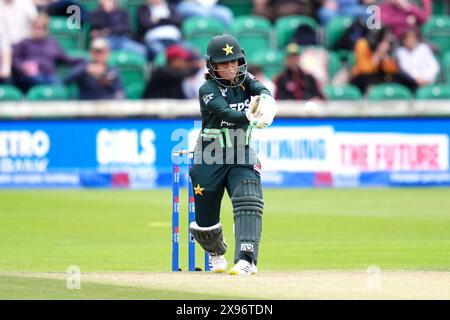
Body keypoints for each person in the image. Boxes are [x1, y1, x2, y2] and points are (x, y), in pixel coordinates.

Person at [186, 34, 277, 276]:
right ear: (212, 66)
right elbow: (225, 112)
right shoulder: (207, 88)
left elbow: (262, 89)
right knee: (205, 224)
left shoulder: (246, 80)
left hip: (241, 150)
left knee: (249, 196)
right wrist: (250, 116)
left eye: (234, 62)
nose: (230, 68)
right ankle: (216, 254)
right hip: (210, 155)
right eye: (223, 63)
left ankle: (247, 259)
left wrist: (266, 100)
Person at [12, 13, 84, 92]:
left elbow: (65, 58)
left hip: (49, 76)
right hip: (31, 77)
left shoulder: (52, 43)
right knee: (36, 80)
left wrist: (82, 60)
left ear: (46, 30)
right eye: (36, 28)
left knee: (59, 89)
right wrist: (23, 67)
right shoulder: (24, 43)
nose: (38, 31)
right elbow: (15, 60)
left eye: (41, 28)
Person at [350, 26, 417, 94]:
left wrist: (386, 57)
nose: (388, 42)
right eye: (385, 39)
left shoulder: (389, 46)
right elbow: (365, 69)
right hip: (361, 79)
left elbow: (393, 69)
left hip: (380, 78)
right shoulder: (363, 44)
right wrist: (378, 54)